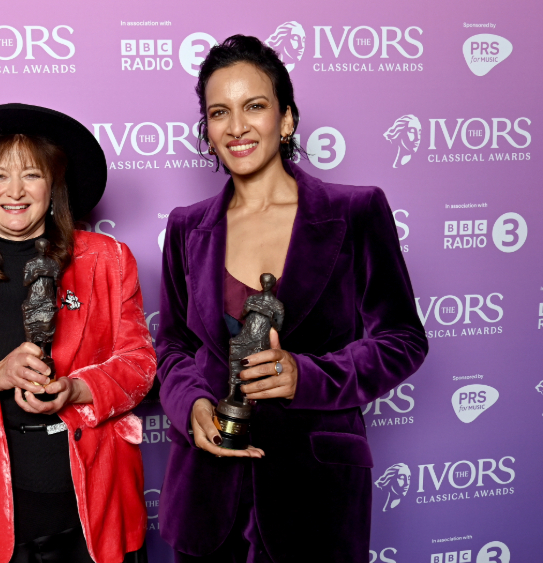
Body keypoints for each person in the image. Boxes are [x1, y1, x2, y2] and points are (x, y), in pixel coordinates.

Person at [156, 36, 428, 562]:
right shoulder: (187, 228)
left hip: (317, 499)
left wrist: (306, 376)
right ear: (207, 132)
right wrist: (190, 405)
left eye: (254, 106)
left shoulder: (356, 213)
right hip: (207, 498)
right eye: (219, 112)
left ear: (285, 119)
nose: (236, 127)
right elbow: (171, 346)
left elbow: (402, 340)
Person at [0, 103, 155, 563]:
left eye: (32, 175)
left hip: (99, 498)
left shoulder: (108, 259)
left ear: (54, 185)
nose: (16, 191)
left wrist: (77, 387)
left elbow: (139, 366)